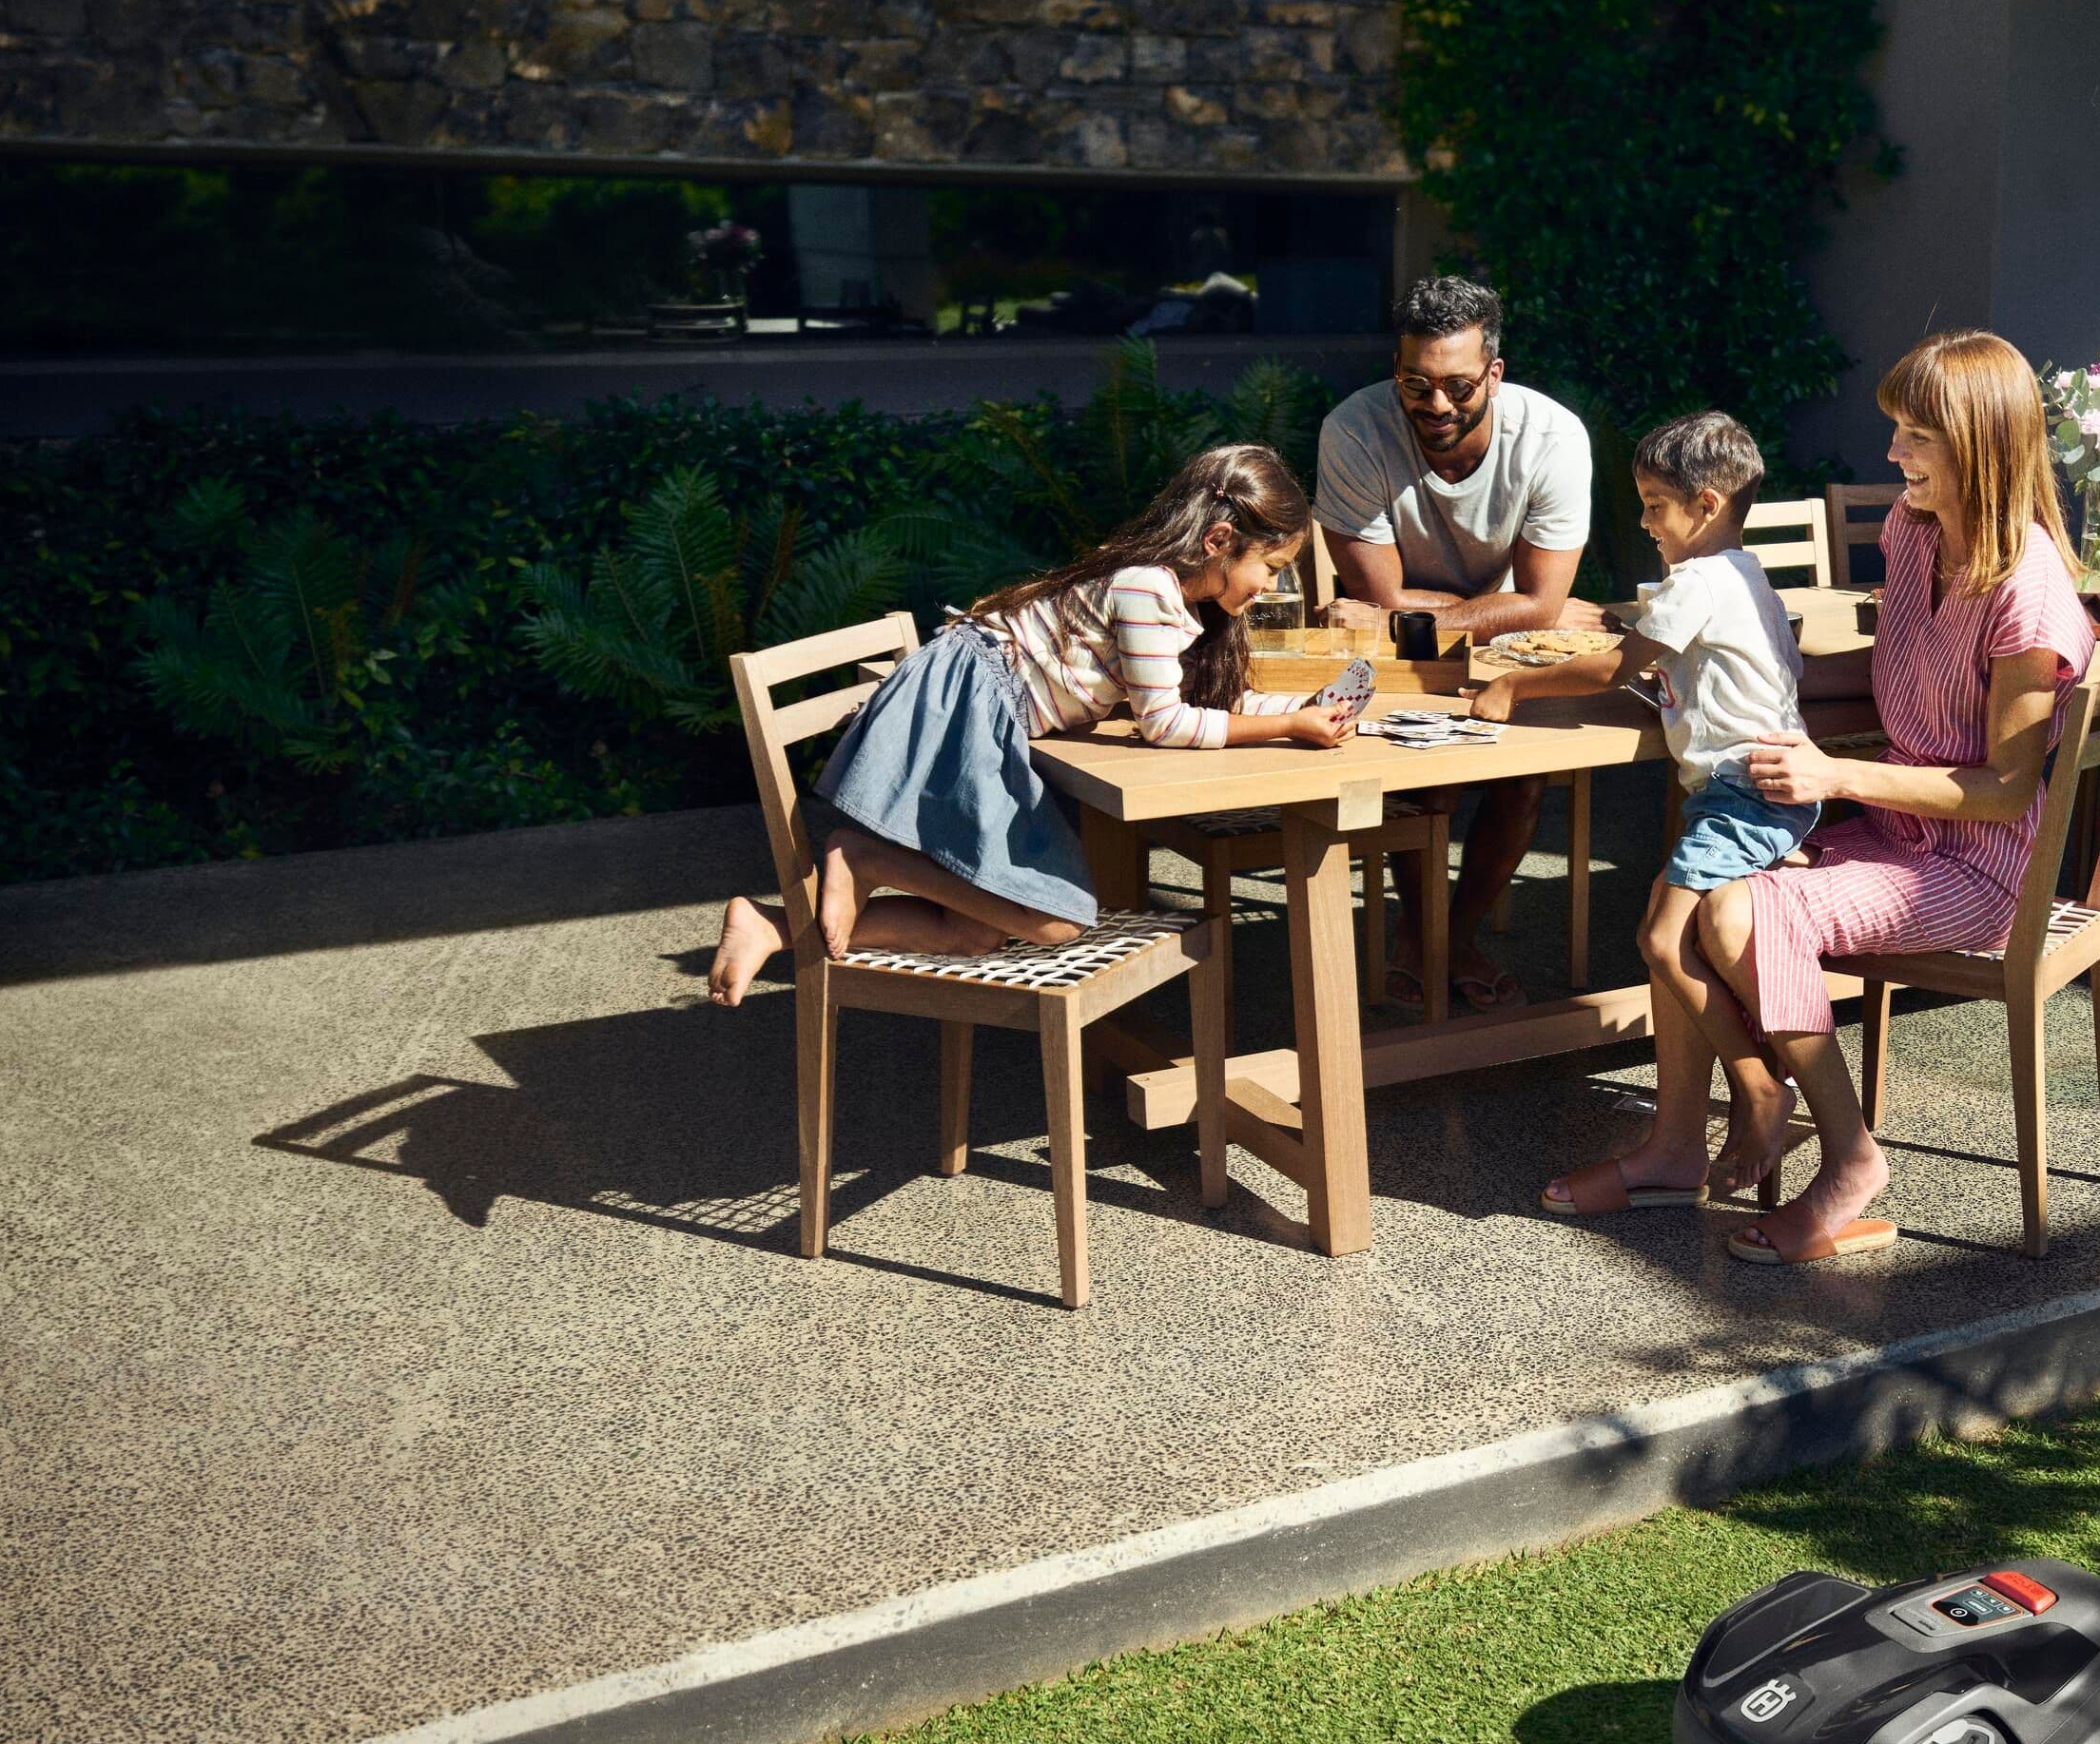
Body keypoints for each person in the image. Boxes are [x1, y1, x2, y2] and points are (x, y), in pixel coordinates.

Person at [1539, 329, 2095, 1263]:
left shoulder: (2028, 597)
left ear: (1981, 445)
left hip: (1978, 868)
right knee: (1681, 904)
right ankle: (1673, 1151)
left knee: (1739, 912)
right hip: (1891, 832)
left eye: (1917, 437)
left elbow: (2005, 792)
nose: (1893, 453)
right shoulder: (1915, 533)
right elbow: (1890, 671)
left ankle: (1850, 1158)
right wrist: (1747, 682)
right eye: (1897, 430)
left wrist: (1833, 774)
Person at [710, 445, 1356, 1006]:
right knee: (1055, 918)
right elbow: (1164, 722)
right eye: (1270, 566)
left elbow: (1212, 702)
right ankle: (864, 857)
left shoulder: (1175, 597)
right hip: (971, 709)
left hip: (985, 710)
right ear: (1217, 540)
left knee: (975, 930)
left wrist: (1305, 711)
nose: (1272, 584)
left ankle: (773, 927)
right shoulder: (1147, 589)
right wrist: (1290, 727)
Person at [1468, 410, 1816, 1200]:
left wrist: (1512, 684)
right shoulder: (1747, 575)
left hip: (1743, 794)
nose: (1645, 521)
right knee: (1669, 937)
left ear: (1706, 505)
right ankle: (1747, 1091)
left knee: (1661, 942)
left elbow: (1612, 665)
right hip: (1757, 790)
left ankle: (1761, 1087)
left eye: (1656, 505)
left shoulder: (1698, 582)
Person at [1313, 273, 1604, 1006]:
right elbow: (1383, 602)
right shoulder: (1355, 430)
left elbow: (1535, 604)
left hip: (1496, 652)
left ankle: (1448, 936)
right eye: (1417, 384)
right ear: (1396, 370)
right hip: (1404, 652)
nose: (1437, 405)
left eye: (1459, 386)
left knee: (1523, 774)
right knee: (1427, 775)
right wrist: (1519, 608)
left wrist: (1526, 611)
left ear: (1494, 374)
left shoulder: (1552, 438)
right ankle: (1429, 936)